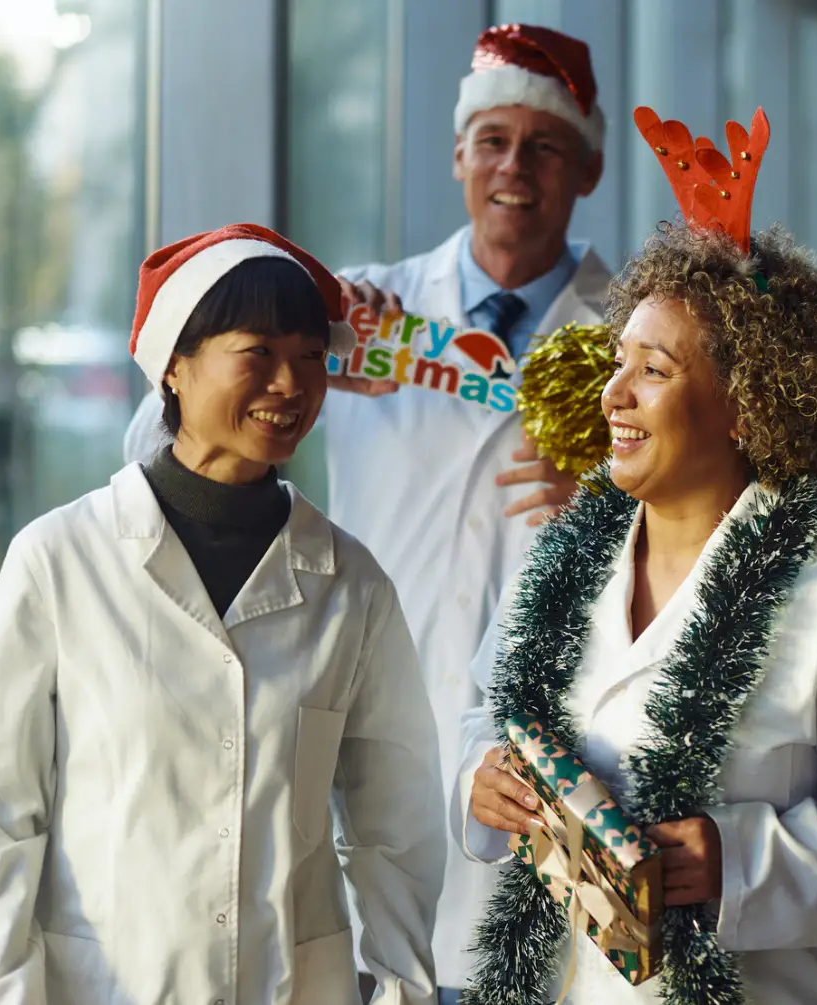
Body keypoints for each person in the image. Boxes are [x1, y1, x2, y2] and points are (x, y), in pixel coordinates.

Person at [121, 26, 610, 996]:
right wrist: (309, 366)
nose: (515, 167)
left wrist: (612, 496)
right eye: (492, 141)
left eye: (545, 145)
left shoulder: (633, 334)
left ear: (588, 167)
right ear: (459, 157)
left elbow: (727, 518)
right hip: (366, 712)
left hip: (555, 750)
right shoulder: (358, 315)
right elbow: (156, 444)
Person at [454, 107, 817, 1005]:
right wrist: (480, 781)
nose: (613, 392)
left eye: (653, 369)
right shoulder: (561, 564)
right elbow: (485, 709)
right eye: (619, 361)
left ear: (745, 402)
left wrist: (738, 858)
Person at [0, 223, 445, 1004]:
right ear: (175, 364)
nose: (291, 383)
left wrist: (404, 989)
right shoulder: (61, 560)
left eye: (311, 355)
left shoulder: (353, 583)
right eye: (259, 353)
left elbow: (396, 824)